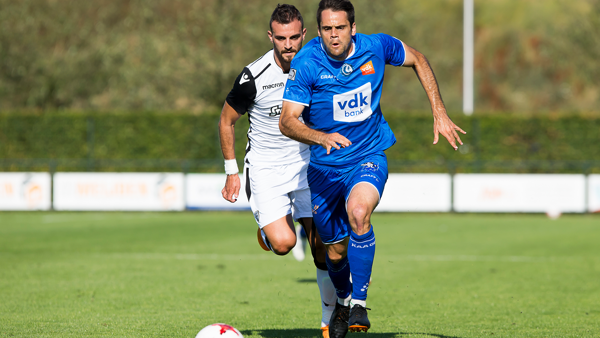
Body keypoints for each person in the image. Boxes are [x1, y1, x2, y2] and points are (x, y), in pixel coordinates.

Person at [279, 1, 466, 337]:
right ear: (318, 30)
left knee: (360, 211)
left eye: (339, 28)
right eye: (326, 29)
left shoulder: (376, 46)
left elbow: (418, 59)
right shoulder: (306, 63)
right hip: (323, 170)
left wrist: (438, 110)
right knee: (334, 254)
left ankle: (359, 304)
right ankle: (342, 300)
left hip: (368, 154)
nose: (333, 36)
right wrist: (320, 136)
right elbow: (287, 122)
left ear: (353, 27)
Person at [218, 4, 337, 338]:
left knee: (322, 244)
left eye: (295, 37)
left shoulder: (320, 65)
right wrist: (231, 172)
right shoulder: (252, 76)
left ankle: (329, 321)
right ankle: (269, 232)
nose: (289, 45)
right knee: (284, 244)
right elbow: (226, 121)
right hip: (267, 170)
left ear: (305, 34)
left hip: (307, 166)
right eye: (281, 38)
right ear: (271, 37)